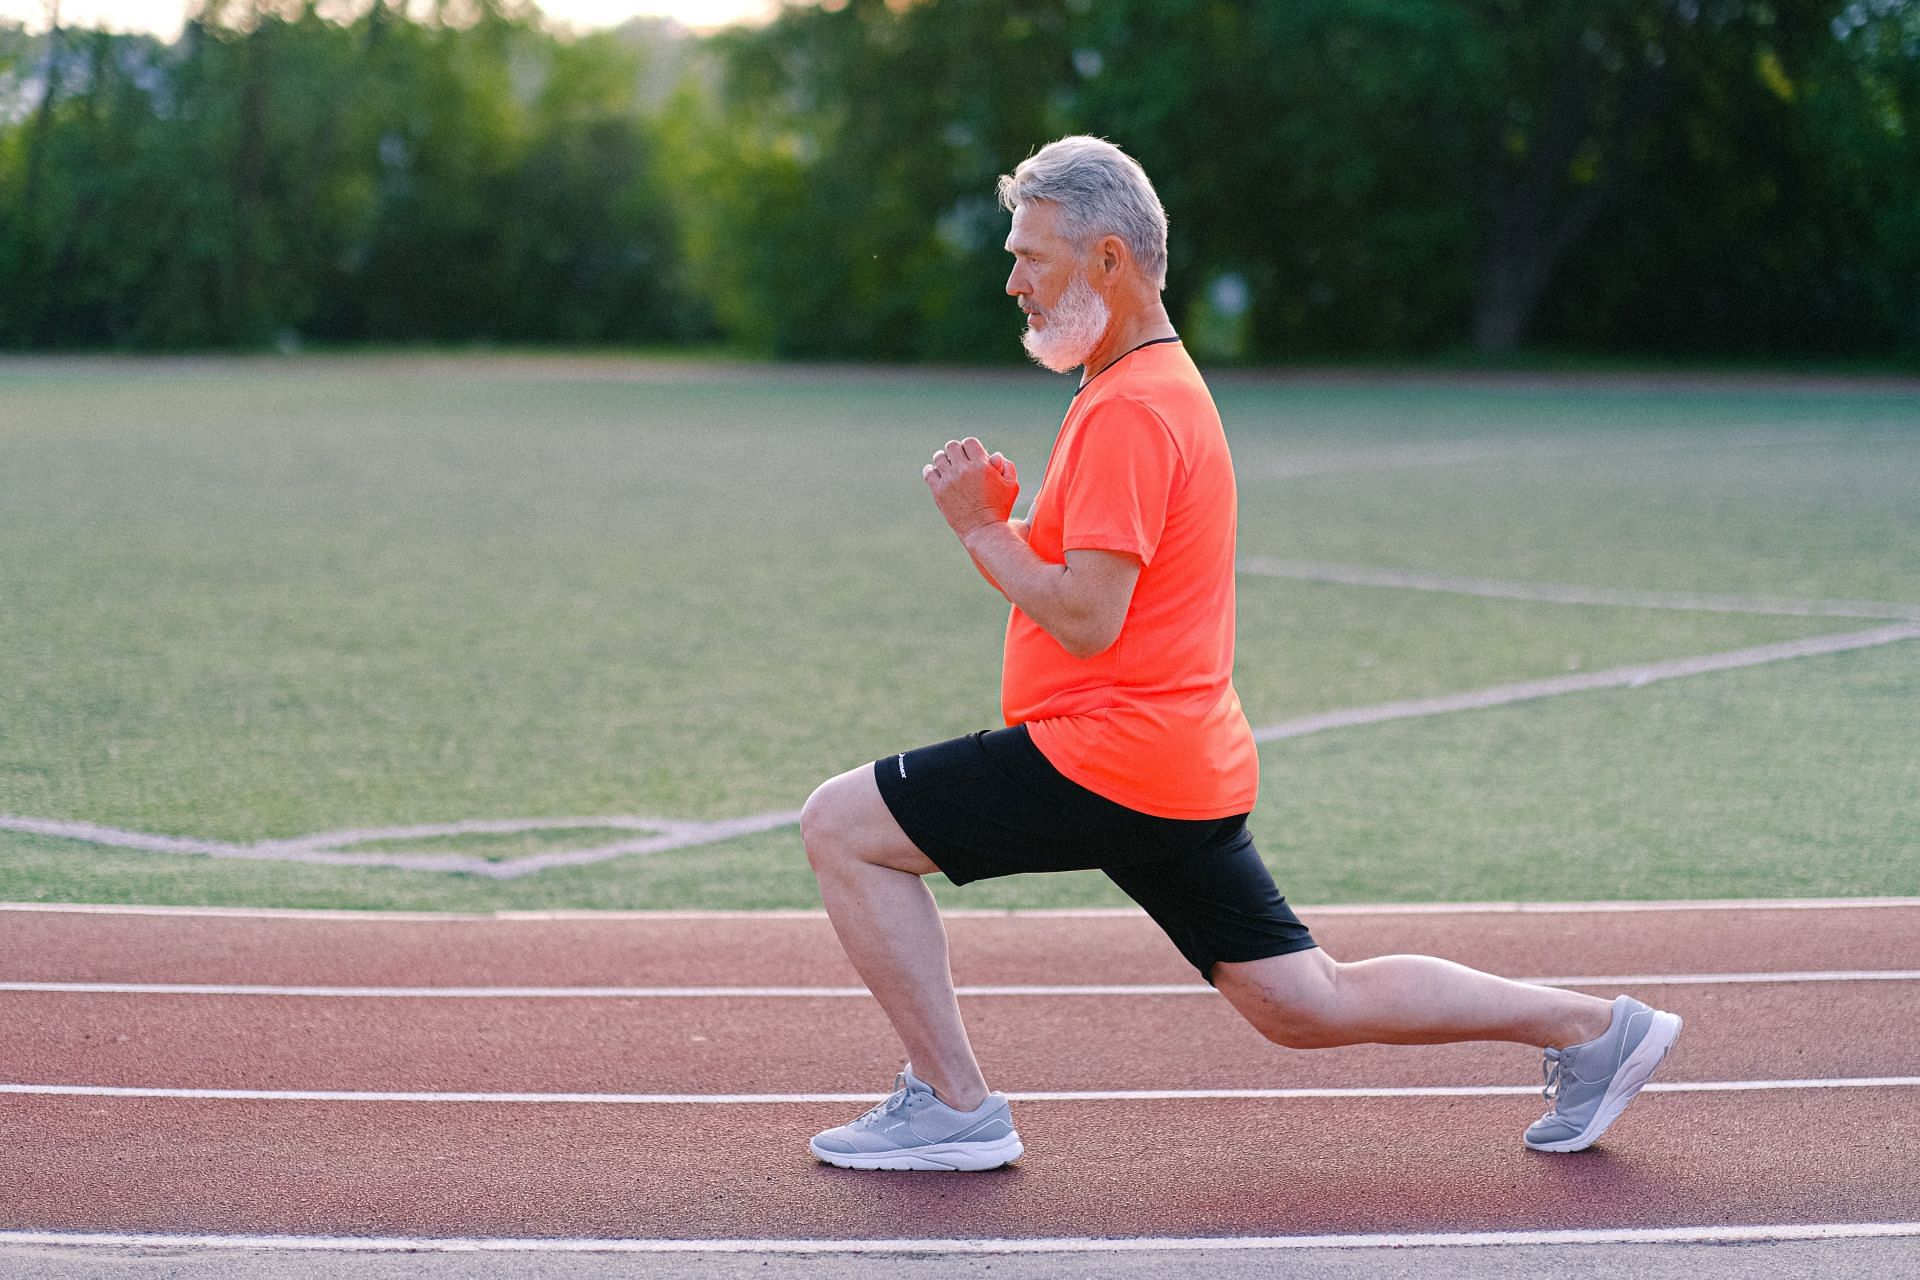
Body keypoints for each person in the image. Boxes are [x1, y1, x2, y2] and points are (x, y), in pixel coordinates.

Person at [799, 136, 1681, 1172]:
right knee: (1305, 1001)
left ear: (1110, 261)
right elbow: (1108, 579)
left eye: (1032, 255)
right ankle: (1593, 1027)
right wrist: (1016, 523)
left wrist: (978, 531)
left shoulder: (1129, 405)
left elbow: (1088, 617)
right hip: (1171, 762)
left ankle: (954, 1106)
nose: (1013, 280)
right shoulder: (1143, 384)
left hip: (1108, 754)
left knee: (843, 824)